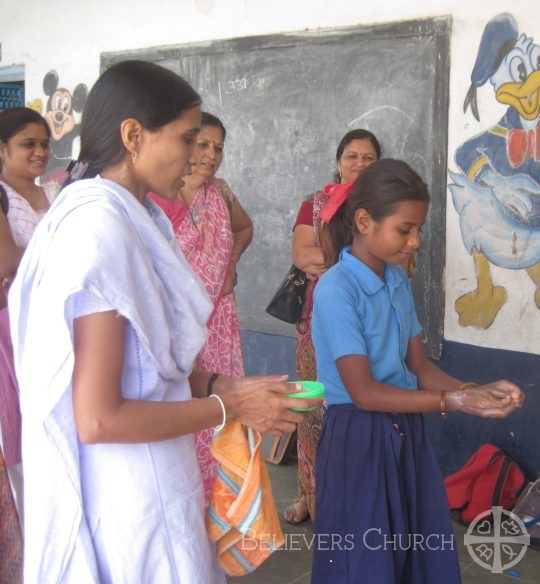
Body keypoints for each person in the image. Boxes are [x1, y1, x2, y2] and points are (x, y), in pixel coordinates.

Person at [8, 60, 320, 583]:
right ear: (133, 135)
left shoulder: (132, 217)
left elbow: (146, 367)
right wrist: (227, 405)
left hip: (155, 482)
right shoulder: (97, 228)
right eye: (187, 139)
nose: (198, 156)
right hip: (130, 498)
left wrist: (226, 385)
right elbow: (99, 418)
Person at [310, 158, 524, 583]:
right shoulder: (337, 289)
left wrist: (473, 390)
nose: (415, 241)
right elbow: (364, 393)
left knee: (415, 550)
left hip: (406, 431)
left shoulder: (396, 281)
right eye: (405, 229)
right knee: (364, 558)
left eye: (418, 230)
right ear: (365, 221)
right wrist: (452, 400)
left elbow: (419, 366)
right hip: (359, 438)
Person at [149, 111, 253, 503]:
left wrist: (233, 262)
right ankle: (188, 495)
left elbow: (245, 228)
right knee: (186, 406)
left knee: (223, 411)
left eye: (218, 147)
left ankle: (224, 500)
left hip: (221, 322)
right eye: (203, 144)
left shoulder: (221, 192)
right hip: (178, 325)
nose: (210, 154)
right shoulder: (160, 197)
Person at [284, 129, 381, 525]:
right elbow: (301, 253)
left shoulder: (384, 205)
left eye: (368, 158)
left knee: (361, 406)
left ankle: (357, 498)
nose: (358, 163)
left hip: (369, 322)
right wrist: (356, 265)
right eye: (351, 156)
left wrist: (335, 264)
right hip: (316, 320)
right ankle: (310, 493)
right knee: (312, 407)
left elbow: (395, 259)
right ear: (339, 160)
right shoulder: (316, 203)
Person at [0, 106, 57, 514]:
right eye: (28, 144)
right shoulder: (2, 194)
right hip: (15, 330)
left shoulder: (55, 192)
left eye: (44, 144)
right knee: (21, 425)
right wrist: (63, 252)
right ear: (2, 148)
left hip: (58, 325)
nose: (39, 152)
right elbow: (5, 260)